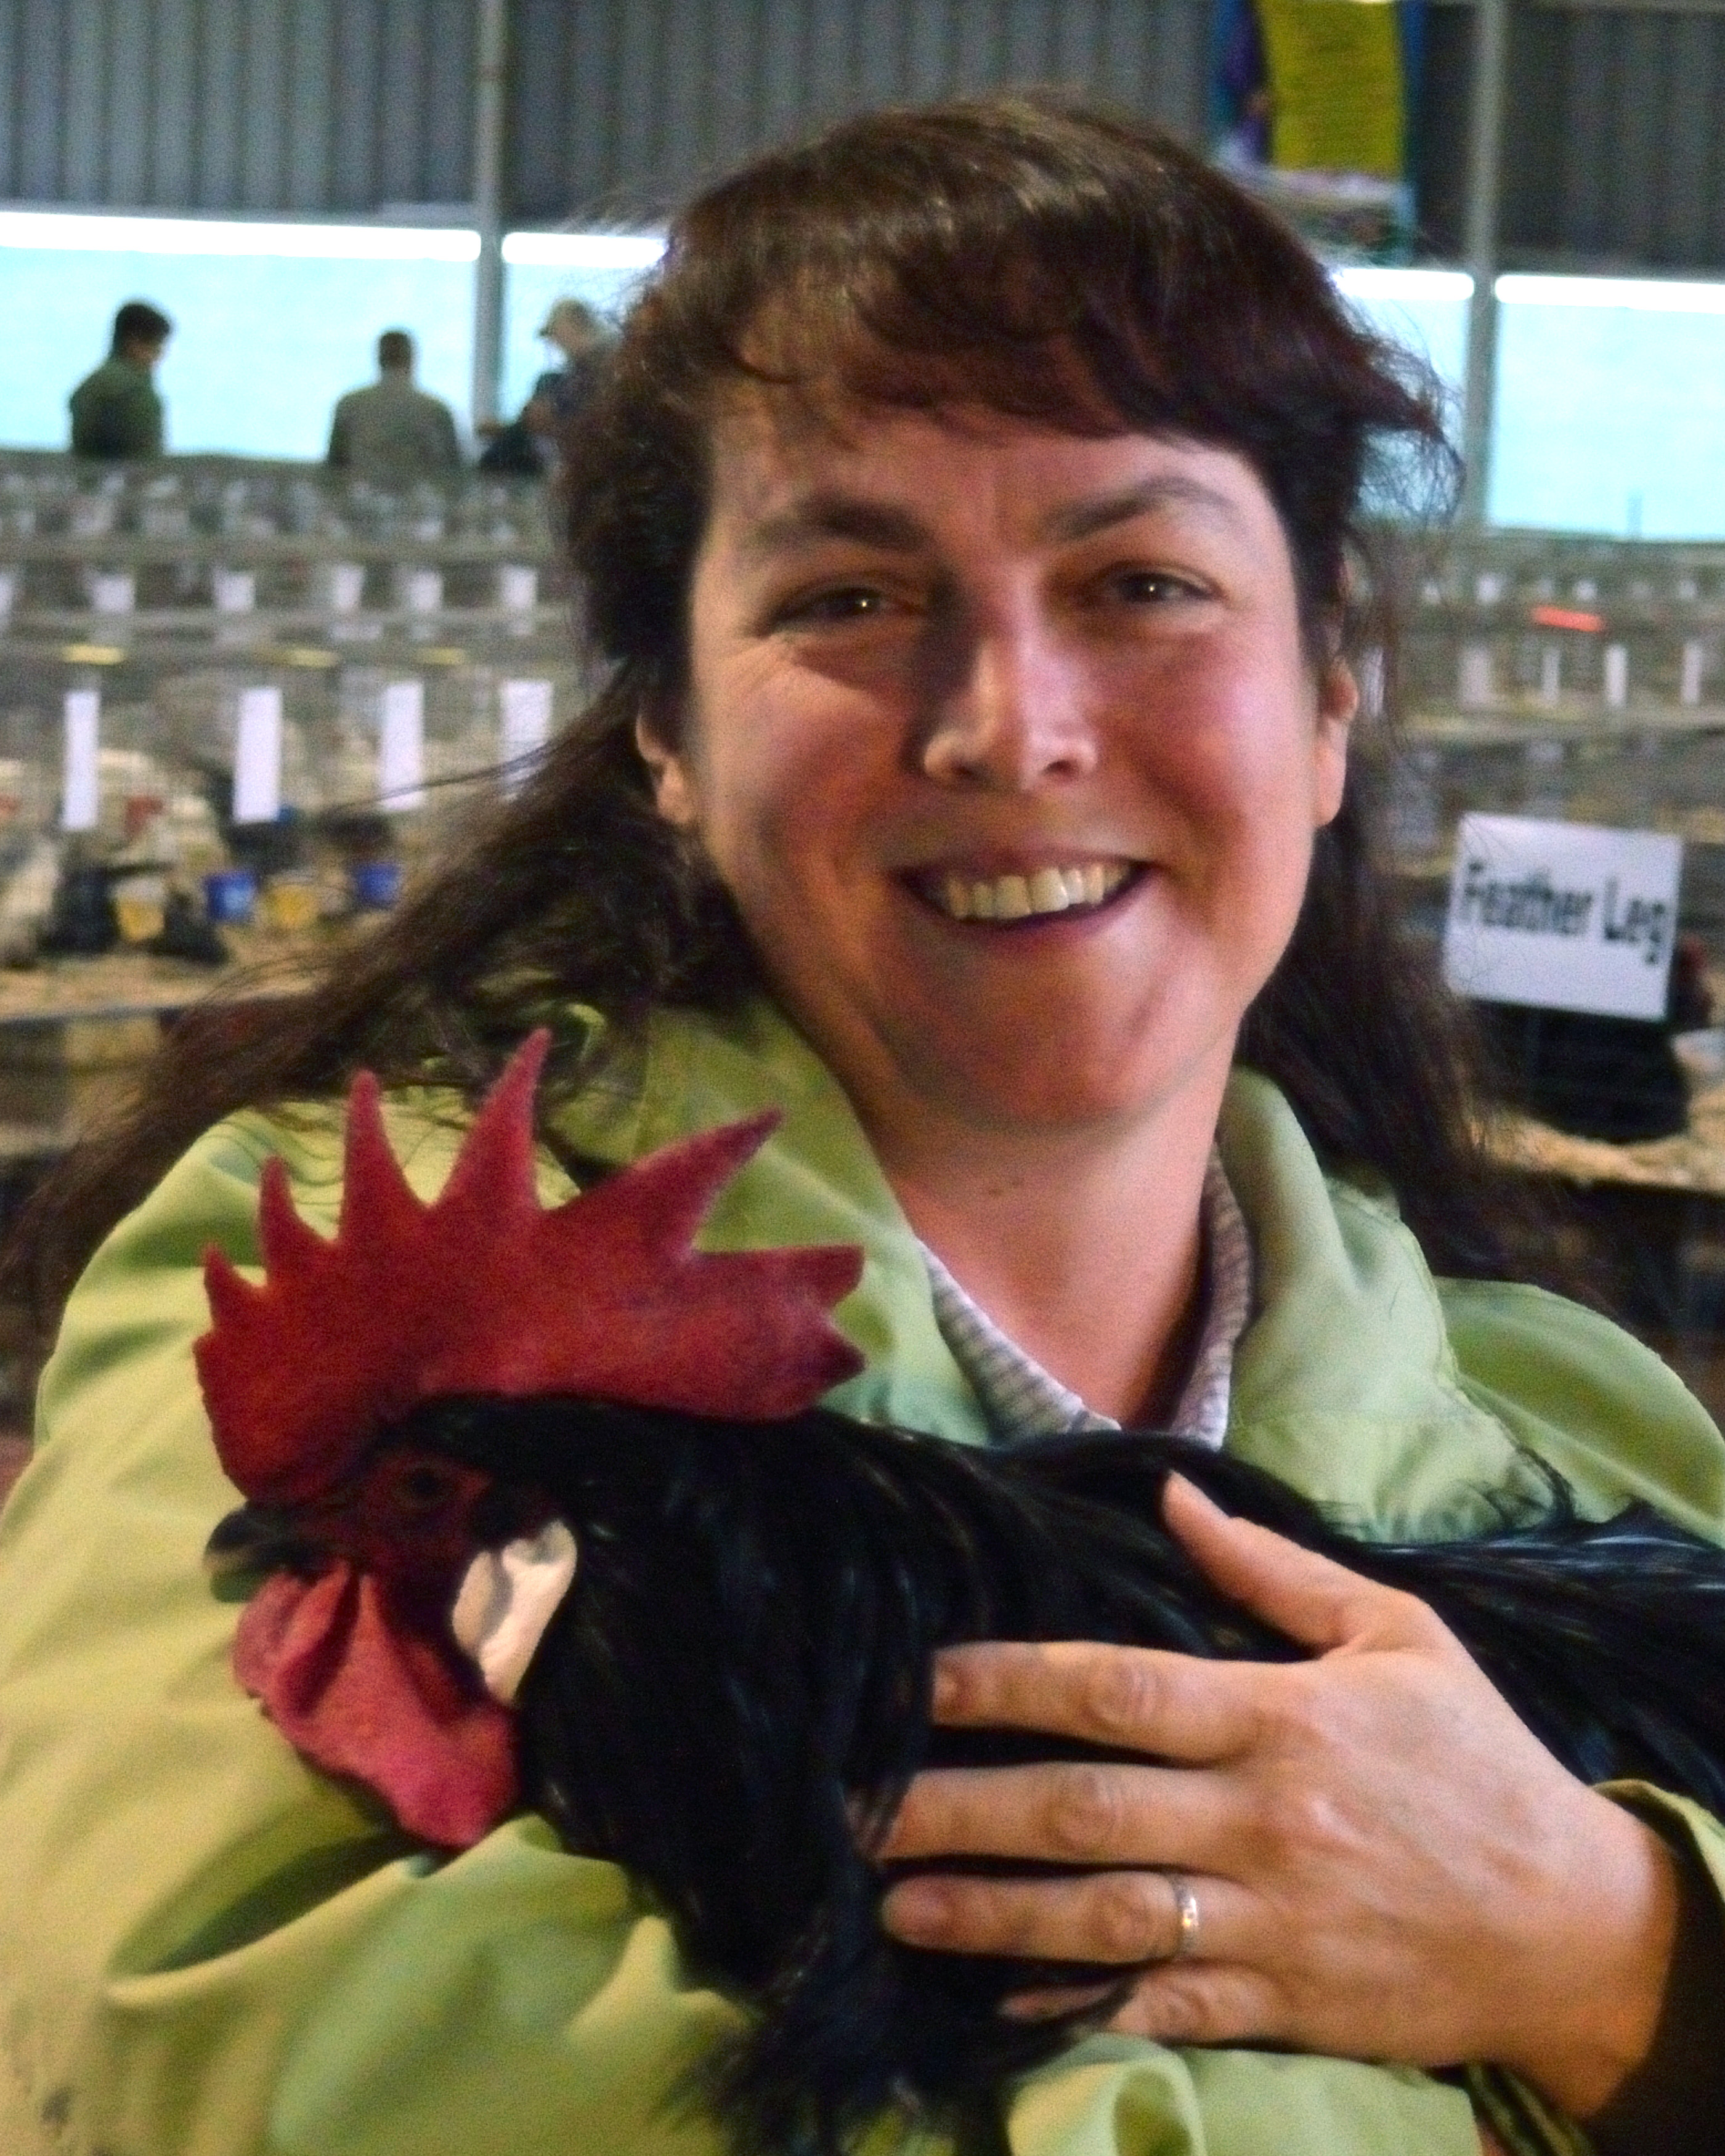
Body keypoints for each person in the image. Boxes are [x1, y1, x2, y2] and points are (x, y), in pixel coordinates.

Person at [0, 92, 1721, 2156]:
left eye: (1143, 581)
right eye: (847, 597)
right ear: (665, 728)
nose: (1012, 724)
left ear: (1330, 687)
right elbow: (215, 2052)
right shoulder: (374, 1313)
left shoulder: (1592, 1425)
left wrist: (1618, 1946)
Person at [326, 329, 463, 486]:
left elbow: (334, 469)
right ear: (412, 359)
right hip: (419, 503)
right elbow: (453, 472)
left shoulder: (349, 405)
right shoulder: (436, 410)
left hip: (364, 500)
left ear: (379, 359)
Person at [68, 299, 171, 459]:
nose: (159, 356)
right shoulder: (138, 393)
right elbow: (148, 460)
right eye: (156, 346)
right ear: (135, 343)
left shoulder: (88, 387)